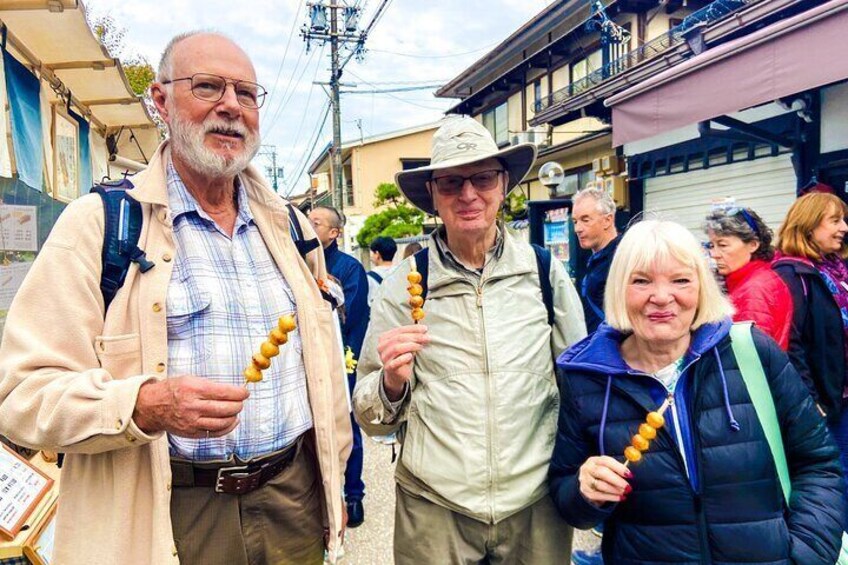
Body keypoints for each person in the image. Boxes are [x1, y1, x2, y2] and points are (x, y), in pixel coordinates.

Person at [0, 32, 351, 565]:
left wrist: (333, 487)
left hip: (291, 501)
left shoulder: (293, 228)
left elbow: (323, 373)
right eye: (208, 86)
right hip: (171, 509)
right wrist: (143, 404)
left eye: (246, 93)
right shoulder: (100, 226)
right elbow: (18, 394)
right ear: (160, 102)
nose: (231, 106)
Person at [353, 116, 587, 564]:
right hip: (434, 506)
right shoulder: (406, 283)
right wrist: (392, 383)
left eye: (482, 178)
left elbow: (577, 382)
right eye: (451, 182)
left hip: (534, 502)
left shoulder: (542, 272)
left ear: (503, 186)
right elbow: (369, 416)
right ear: (433, 197)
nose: (468, 194)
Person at [550, 219, 844, 564]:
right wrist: (586, 492)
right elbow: (567, 496)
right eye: (641, 280)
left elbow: (818, 465)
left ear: (702, 288)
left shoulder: (751, 353)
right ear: (619, 288)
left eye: (681, 280)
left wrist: (805, 556)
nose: (661, 297)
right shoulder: (587, 379)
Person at [773, 192, 848, 516]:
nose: (844, 227)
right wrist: (809, 398)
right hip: (824, 402)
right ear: (807, 227)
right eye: (834, 220)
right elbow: (792, 343)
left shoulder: (837, 271)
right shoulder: (792, 275)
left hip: (841, 395)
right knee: (834, 476)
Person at [308, 204, 370, 528]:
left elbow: (354, 319)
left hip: (340, 359)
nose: (308, 225)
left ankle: (353, 493)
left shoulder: (349, 268)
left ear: (334, 233)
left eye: (315, 222)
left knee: (346, 427)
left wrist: (346, 363)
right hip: (304, 359)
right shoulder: (295, 261)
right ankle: (318, 495)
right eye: (306, 220)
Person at [704, 206, 792, 349]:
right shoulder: (759, 277)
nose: (714, 253)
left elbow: (751, 355)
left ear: (753, 244)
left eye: (722, 245)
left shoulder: (753, 290)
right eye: (711, 245)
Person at [572, 186, 621, 333]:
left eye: (585, 220)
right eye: (575, 221)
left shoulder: (623, 258)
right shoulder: (598, 259)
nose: (577, 229)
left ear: (608, 220)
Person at [366, 236, 397, 305]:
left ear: (377, 254)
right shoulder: (402, 273)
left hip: (378, 315)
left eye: (372, 253)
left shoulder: (368, 278)